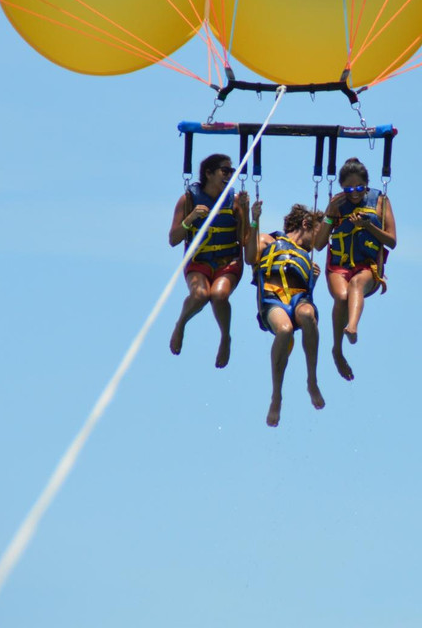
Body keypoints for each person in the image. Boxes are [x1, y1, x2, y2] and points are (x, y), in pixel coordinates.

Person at [313, 157, 397, 381]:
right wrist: (330, 214)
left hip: (368, 267)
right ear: (342, 187)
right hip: (339, 265)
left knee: (356, 284)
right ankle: (337, 350)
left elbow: (392, 241)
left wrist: (368, 226)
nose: (354, 193)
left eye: (360, 188)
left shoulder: (381, 201)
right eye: (349, 189)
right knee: (341, 297)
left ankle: (352, 326)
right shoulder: (337, 204)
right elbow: (318, 245)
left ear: (367, 184)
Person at [246, 200, 324, 427]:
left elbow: (306, 288)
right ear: (306, 224)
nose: (321, 242)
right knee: (285, 330)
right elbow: (249, 258)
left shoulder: (307, 258)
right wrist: (254, 220)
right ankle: (277, 396)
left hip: (299, 301)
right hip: (272, 300)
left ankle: (312, 380)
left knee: (308, 315)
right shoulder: (267, 240)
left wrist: (314, 278)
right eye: (319, 234)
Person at [168, 153, 249, 368]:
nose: (230, 175)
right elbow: (173, 239)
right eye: (225, 171)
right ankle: (181, 324)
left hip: (228, 262)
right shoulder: (188, 200)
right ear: (209, 173)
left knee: (219, 295)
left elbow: (244, 239)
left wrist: (246, 211)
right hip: (199, 262)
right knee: (200, 295)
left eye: (232, 171)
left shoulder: (235, 200)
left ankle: (225, 337)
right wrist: (190, 218)